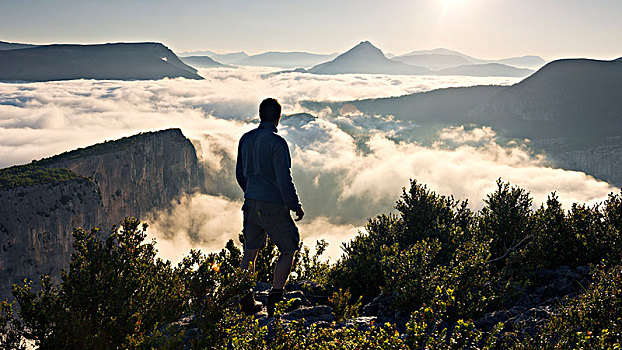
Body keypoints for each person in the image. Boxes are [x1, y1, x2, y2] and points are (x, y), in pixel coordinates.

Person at [236, 97, 304, 317]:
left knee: (250, 252)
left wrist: (251, 191)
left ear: (259, 115)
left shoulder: (245, 139)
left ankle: (247, 302)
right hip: (272, 204)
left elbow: (240, 174)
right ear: (278, 117)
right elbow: (284, 179)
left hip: (251, 202)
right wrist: (295, 205)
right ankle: (276, 300)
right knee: (288, 248)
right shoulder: (277, 143)